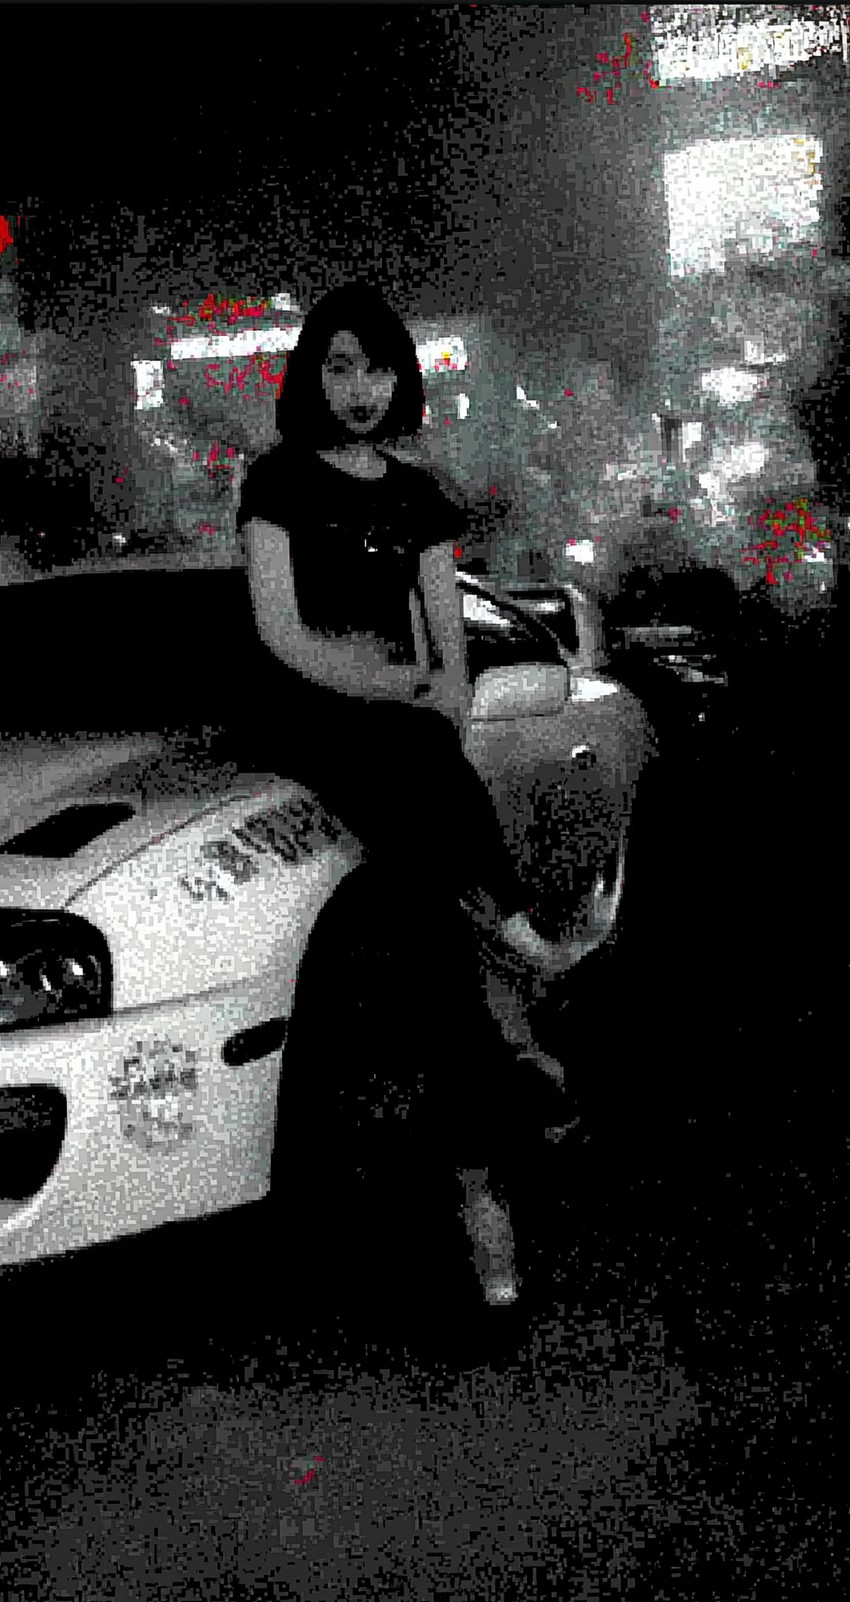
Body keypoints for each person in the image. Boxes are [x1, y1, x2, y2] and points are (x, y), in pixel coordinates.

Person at [235, 280, 591, 1311]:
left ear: (402, 379)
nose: (359, 387)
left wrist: (434, 701)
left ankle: (481, 1176)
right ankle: (517, 940)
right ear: (311, 376)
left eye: (377, 367)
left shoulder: (419, 494)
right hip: (305, 717)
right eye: (339, 366)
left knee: (431, 921)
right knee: (418, 768)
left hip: (398, 743)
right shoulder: (278, 480)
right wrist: (398, 688)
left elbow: (448, 645)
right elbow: (282, 634)